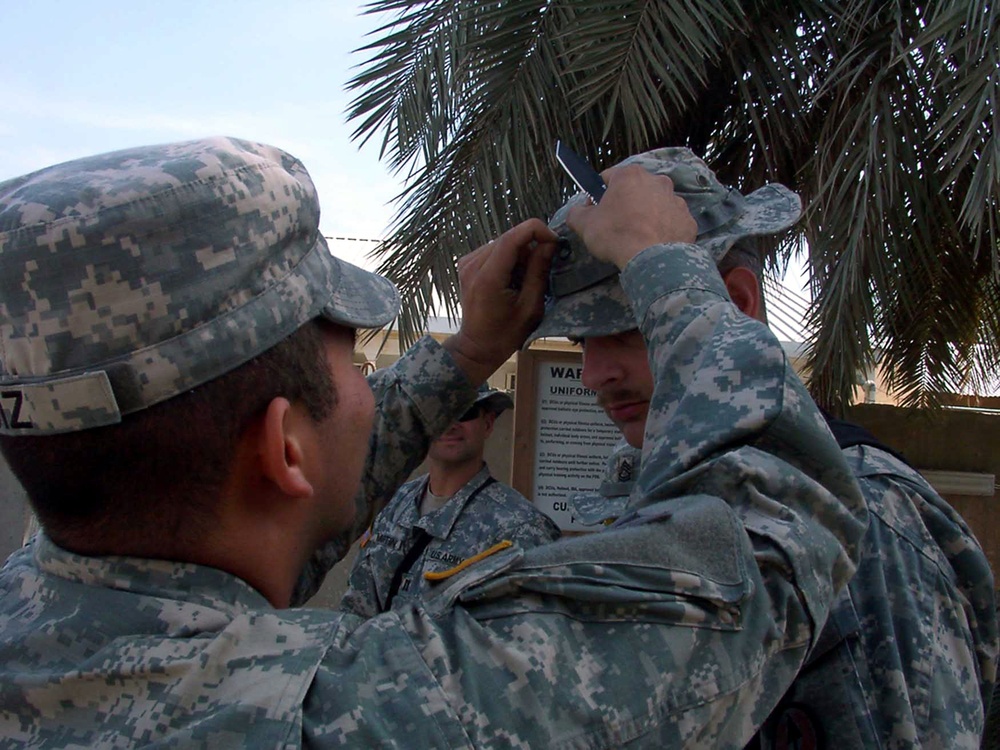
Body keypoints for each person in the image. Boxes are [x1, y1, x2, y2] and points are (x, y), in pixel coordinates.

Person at [0, 136, 867, 748]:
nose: (371, 399)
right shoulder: (377, 714)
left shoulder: (40, 608)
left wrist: (468, 354)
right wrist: (668, 272)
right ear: (285, 449)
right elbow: (773, 549)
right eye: (350, 359)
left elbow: (249, 508)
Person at [530, 146, 999, 749]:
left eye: (624, 332)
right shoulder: (650, 484)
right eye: (580, 341)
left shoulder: (869, 523)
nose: (594, 375)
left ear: (740, 303)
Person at [340, 384, 559, 616]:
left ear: (487, 424)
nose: (451, 423)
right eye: (440, 411)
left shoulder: (521, 529)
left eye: (465, 412)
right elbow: (356, 607)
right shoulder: (392, 505)